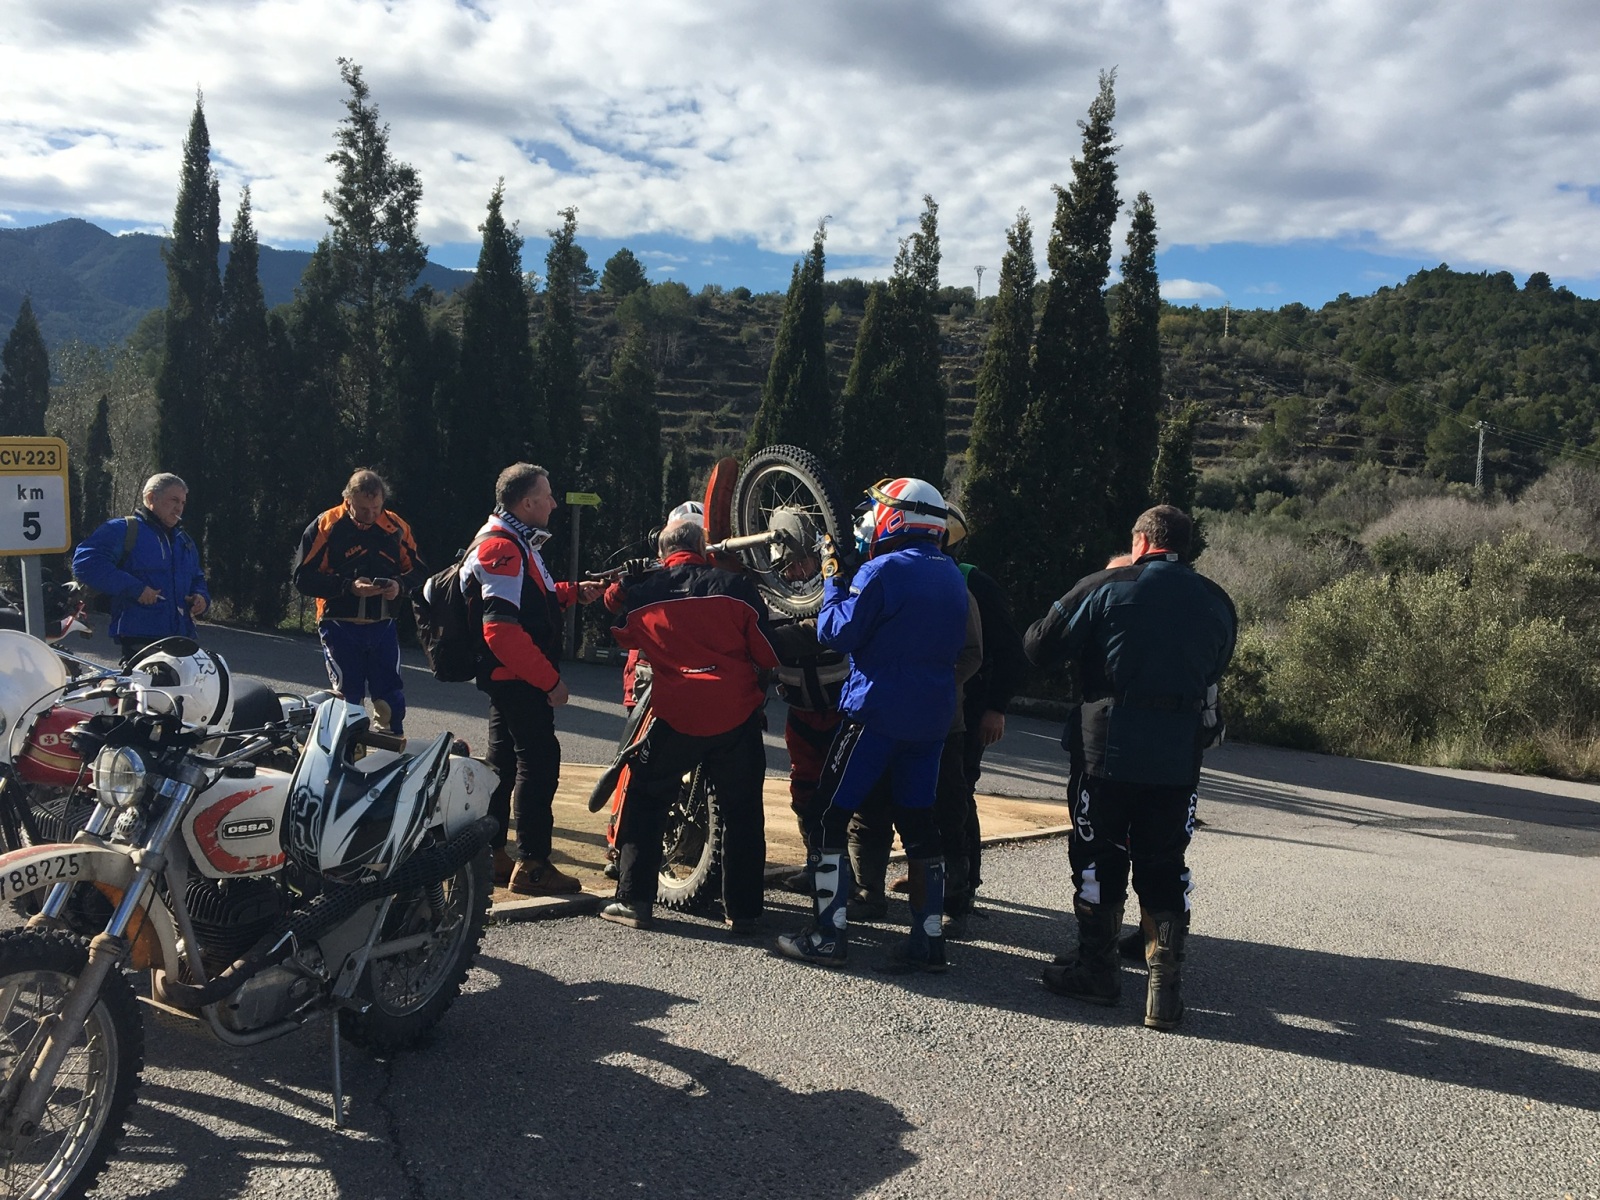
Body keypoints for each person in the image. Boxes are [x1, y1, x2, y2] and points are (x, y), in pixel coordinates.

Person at [1024, 505, 1236, 1030]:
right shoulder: (1217, 602)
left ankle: (1097, 970)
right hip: (1177, 755)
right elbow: (1215, 667)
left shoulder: (1105, 585)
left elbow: (1037, 645)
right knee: (1165, 861)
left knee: (1098, 855)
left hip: (1108, 748)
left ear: (1140, 541)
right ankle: (1164, 990)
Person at [777, 477, 970, 972]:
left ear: (896, 517)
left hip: (877, 710)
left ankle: (826, 933)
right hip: (931, 718)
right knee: (919, 822)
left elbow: (835, 632)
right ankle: (928, 939)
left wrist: (834, 578)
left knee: (828, 815)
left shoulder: (883, 568)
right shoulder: (951, 573)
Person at [854, 500, 1028, 934]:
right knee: (895, 799)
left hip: (960, 710)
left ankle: (958, 894)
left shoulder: (970, 582)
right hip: (914, 709)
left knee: (952, 799)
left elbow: (1006, 652)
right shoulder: (900, 575)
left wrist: (996, 707)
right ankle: (916, 879)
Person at [600, 518, 780, 932]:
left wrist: (624, 587)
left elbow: (621, 632)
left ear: (663, 551)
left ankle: (634, 901)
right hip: (736, 715)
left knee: (646, 798)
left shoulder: (647, 594)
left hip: (677, 714)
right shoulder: (734, 586)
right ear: (704, 546)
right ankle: (745, 912)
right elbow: (767, 654)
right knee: (743, 813)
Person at [463, 463, 604, 895]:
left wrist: (570, 592)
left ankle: (493, 854)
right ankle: (534, 865)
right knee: (538, 763)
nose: (555, 503)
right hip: (517, 677)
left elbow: (527, 599)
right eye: (548, 495)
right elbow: (500, 629)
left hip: (508, 676)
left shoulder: (514, 541)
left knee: (503, 765)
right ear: (527, 503)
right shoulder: (504, 548)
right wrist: (549, 682)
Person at [291, 470, 426, 735]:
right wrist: (348, 587)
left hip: (383, 624)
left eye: (376, 507)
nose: (370, 515)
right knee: (347, 698)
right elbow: (302, 577)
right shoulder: (327, 524)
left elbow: (421, 571)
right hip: (340, 625)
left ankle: (389, 749)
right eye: (363, 509)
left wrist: (400, 585)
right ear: (348, 500)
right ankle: (348, 752)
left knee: (390, 695)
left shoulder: (395, 526)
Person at [72, 473, 209, 661]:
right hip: (140, 638)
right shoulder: (122, 530)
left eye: (183, 503)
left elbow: (197, 577)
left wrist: (201, 597)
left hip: (181, 637)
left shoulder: (184, 541)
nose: (179, 508)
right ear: (152, 498)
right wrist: (136, 589)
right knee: (144, 690)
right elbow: (85, 562)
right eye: (174, 500)